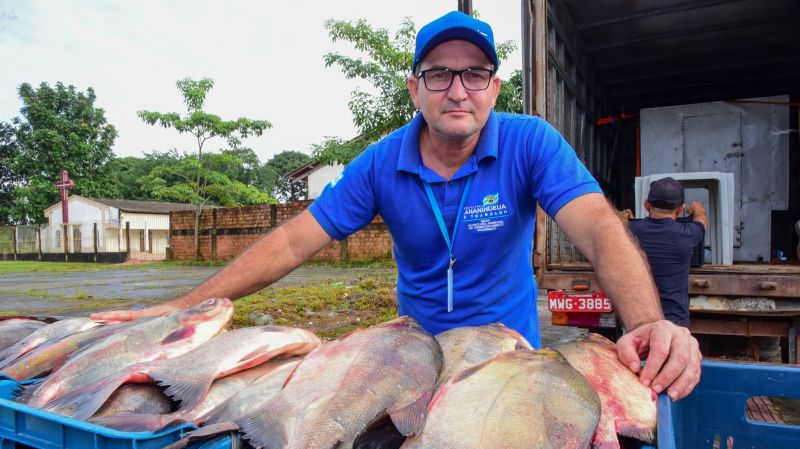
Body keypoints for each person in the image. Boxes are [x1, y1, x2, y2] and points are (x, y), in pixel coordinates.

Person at [93, 11, 702, 400]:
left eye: (474, 74)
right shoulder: (383, 161)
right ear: (414, 88)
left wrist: (648, 325)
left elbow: (598, 226)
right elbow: (291, 240)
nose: (457, 89)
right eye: (438, 74)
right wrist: (183, 305)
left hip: (508, 362)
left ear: (494, 86)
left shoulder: (530, 142)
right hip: (411, 359)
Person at [629, 177, 708, 328]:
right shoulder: (689, 233)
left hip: (638, 319)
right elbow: (701, 220)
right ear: (680, 209)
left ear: (647, 205)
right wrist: (698, 208)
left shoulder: (630, 230)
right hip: (674, 321)